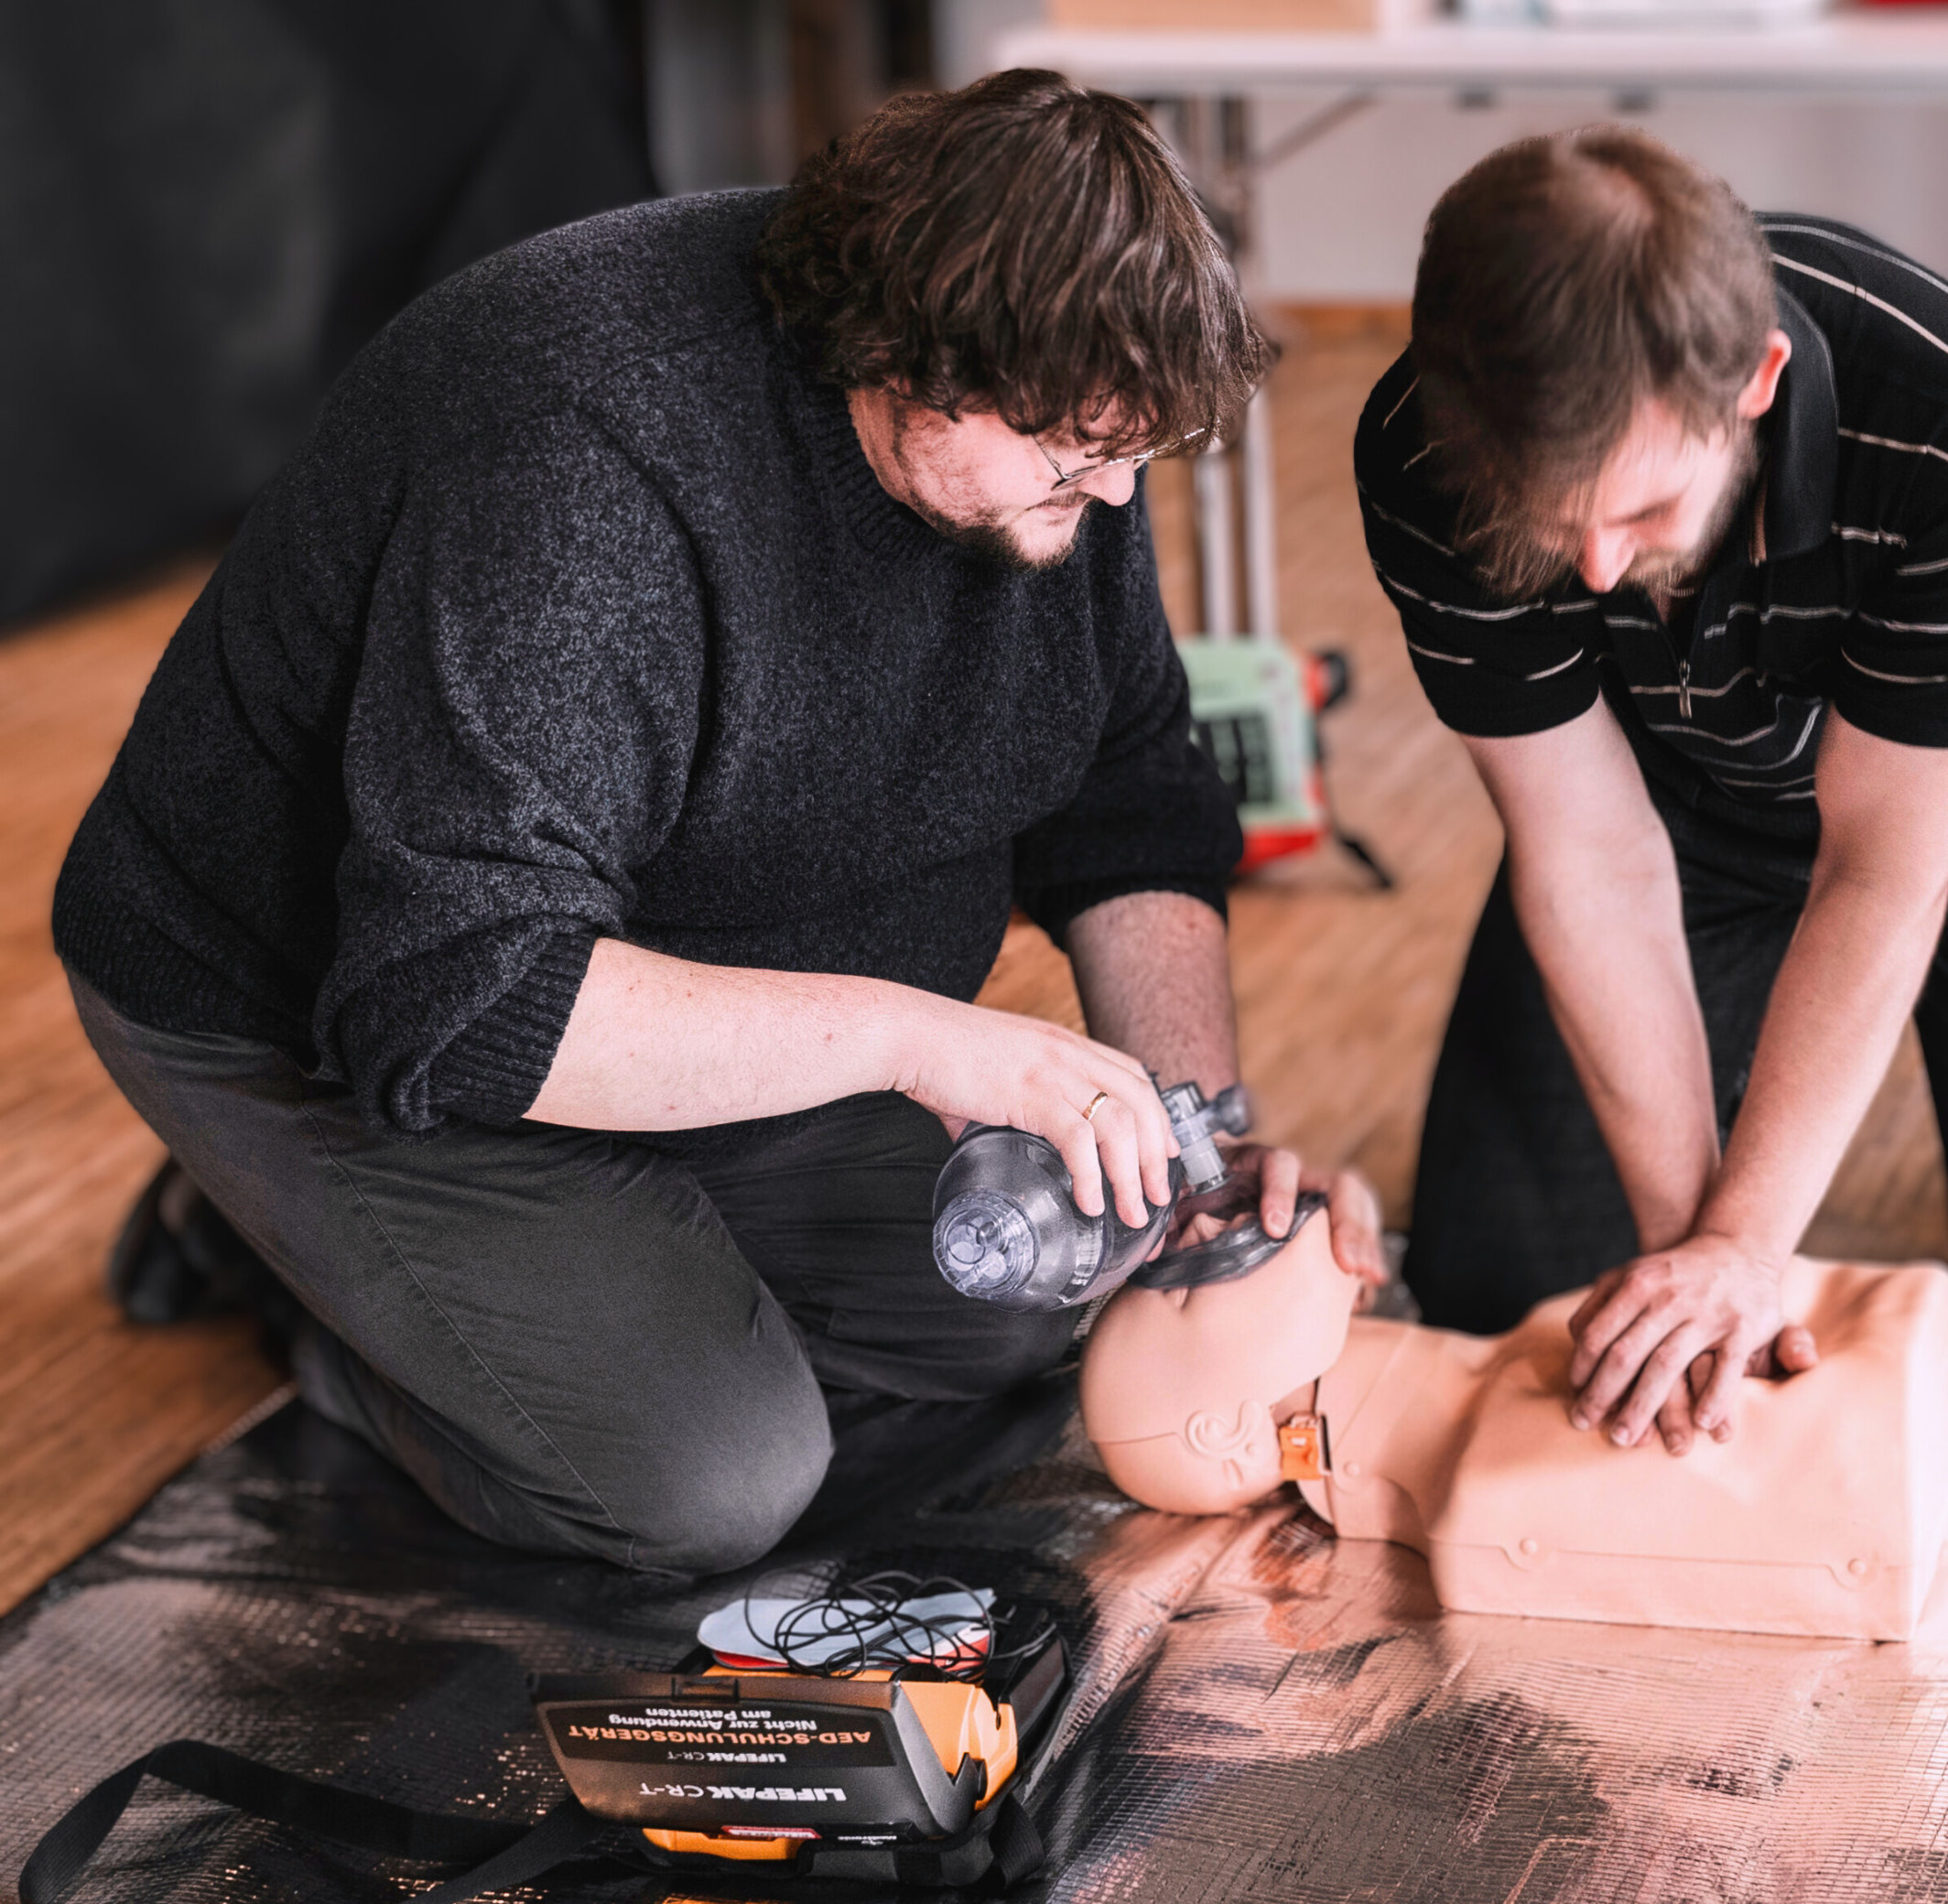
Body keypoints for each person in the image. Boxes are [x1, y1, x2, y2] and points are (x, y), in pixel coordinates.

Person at [54, 70, 1380, 1576]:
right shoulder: (581, 463)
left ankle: (500, 1262)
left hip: (677, 975)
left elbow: (1130, 795)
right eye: (1076, 464)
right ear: (896, 358)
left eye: (1132, 462)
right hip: (330, 1017)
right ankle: (304, 1267)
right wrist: (919, 1043)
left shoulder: (1055, 411)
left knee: (1053, 1281)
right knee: (711, 1477)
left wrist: (1187, 1142)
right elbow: (462, 997)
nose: (1111, 496)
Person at [1355, 128, 1948, 1456]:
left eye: (1646, 513)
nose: (1600, 574)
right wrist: (1701, 1261)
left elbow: (1881, 870)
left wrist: (1749, 1237)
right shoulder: (1425, 450)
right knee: (1513, 1298)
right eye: (1557, 532)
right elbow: (1587, 847)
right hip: (1678, 790)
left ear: (1754, 378)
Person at [1079, 1216, 1948, 1642]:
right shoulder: (1492, 1507)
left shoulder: (1526, 1347)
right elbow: (1856, 1518)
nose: (1199, 1225)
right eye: (1186, 1287)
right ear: (1219, 1436)